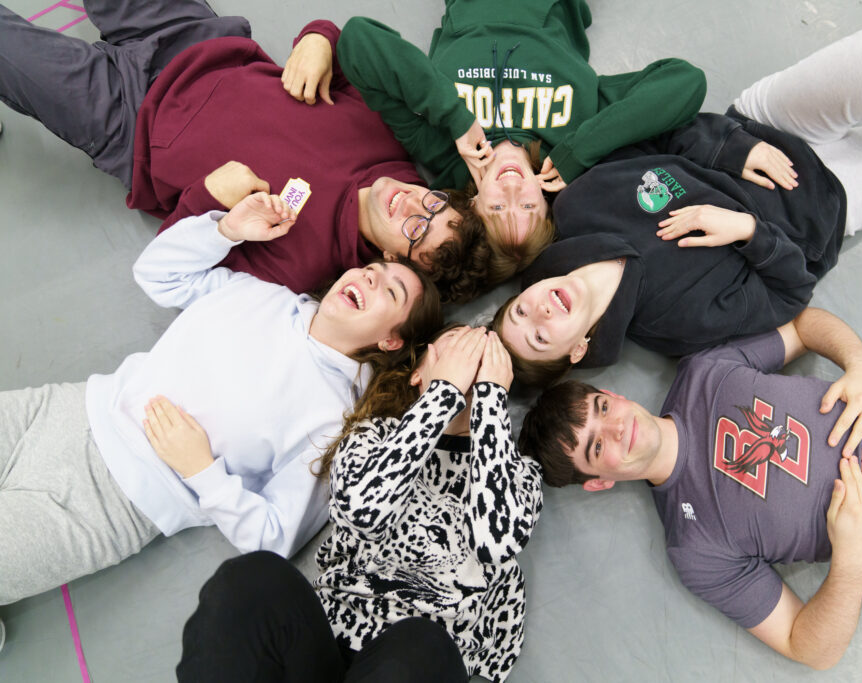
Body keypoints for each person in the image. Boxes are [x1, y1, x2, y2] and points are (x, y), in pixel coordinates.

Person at [492, 16, 862, 385]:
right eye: (540, 337)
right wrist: (748, 232)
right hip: (831, 204)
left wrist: (731, 148)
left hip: (766, 125)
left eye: (520, 310)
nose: (540, 311)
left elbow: (664, 132)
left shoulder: (578, 207)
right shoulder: (672, 325)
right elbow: (791, 292)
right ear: (577, 350)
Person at [518, 307, 862, 669]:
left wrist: (861, 365)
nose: (616, 429)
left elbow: (804, 326)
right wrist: (853, 558)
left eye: (602, 409)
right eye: (595, 447)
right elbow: (809, 647)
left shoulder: (703, 371)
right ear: (599, 481)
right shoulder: (695, 550)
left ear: (612, 394)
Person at [0, 193, 444, 605]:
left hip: (109, 504)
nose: (370, 277)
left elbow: (274, 537)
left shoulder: (337, 420)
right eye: (373, 270)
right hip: (61, 411)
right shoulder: (264, 294)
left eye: (391, 292)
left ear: (391, 341)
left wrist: (202, 471)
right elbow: (155, 273)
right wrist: (225, 230)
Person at [0, 1, 488, 301]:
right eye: (434, 205)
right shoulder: (393, 148)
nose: (413, 204)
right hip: (195, 39)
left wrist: (212, 198)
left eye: (416, 230)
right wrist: (319, 38)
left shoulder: (299, 269)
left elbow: (175, 258)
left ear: (393, 257)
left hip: (125, 120)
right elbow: (343, 58)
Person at [177, 326, 543, 682]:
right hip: (327, 641)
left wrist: (490, 402)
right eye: (458, 346)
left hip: (423, 658)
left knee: (422, 644)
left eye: (486, 360)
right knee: (253, 577)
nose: (471, 359)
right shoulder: (373, 436)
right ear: (418, 374)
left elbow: (496, 542)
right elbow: (363, 512)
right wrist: (444, 394)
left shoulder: (518, 475)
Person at [281, 0, 705, 283]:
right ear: (546, 201)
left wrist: (455, 118)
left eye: (498, 208)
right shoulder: (572, 141)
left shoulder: (444, 152)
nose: (513, 190)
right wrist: (580, 150)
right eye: (529, 207)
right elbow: (685, 81)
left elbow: (359, 40)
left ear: (473, 204)